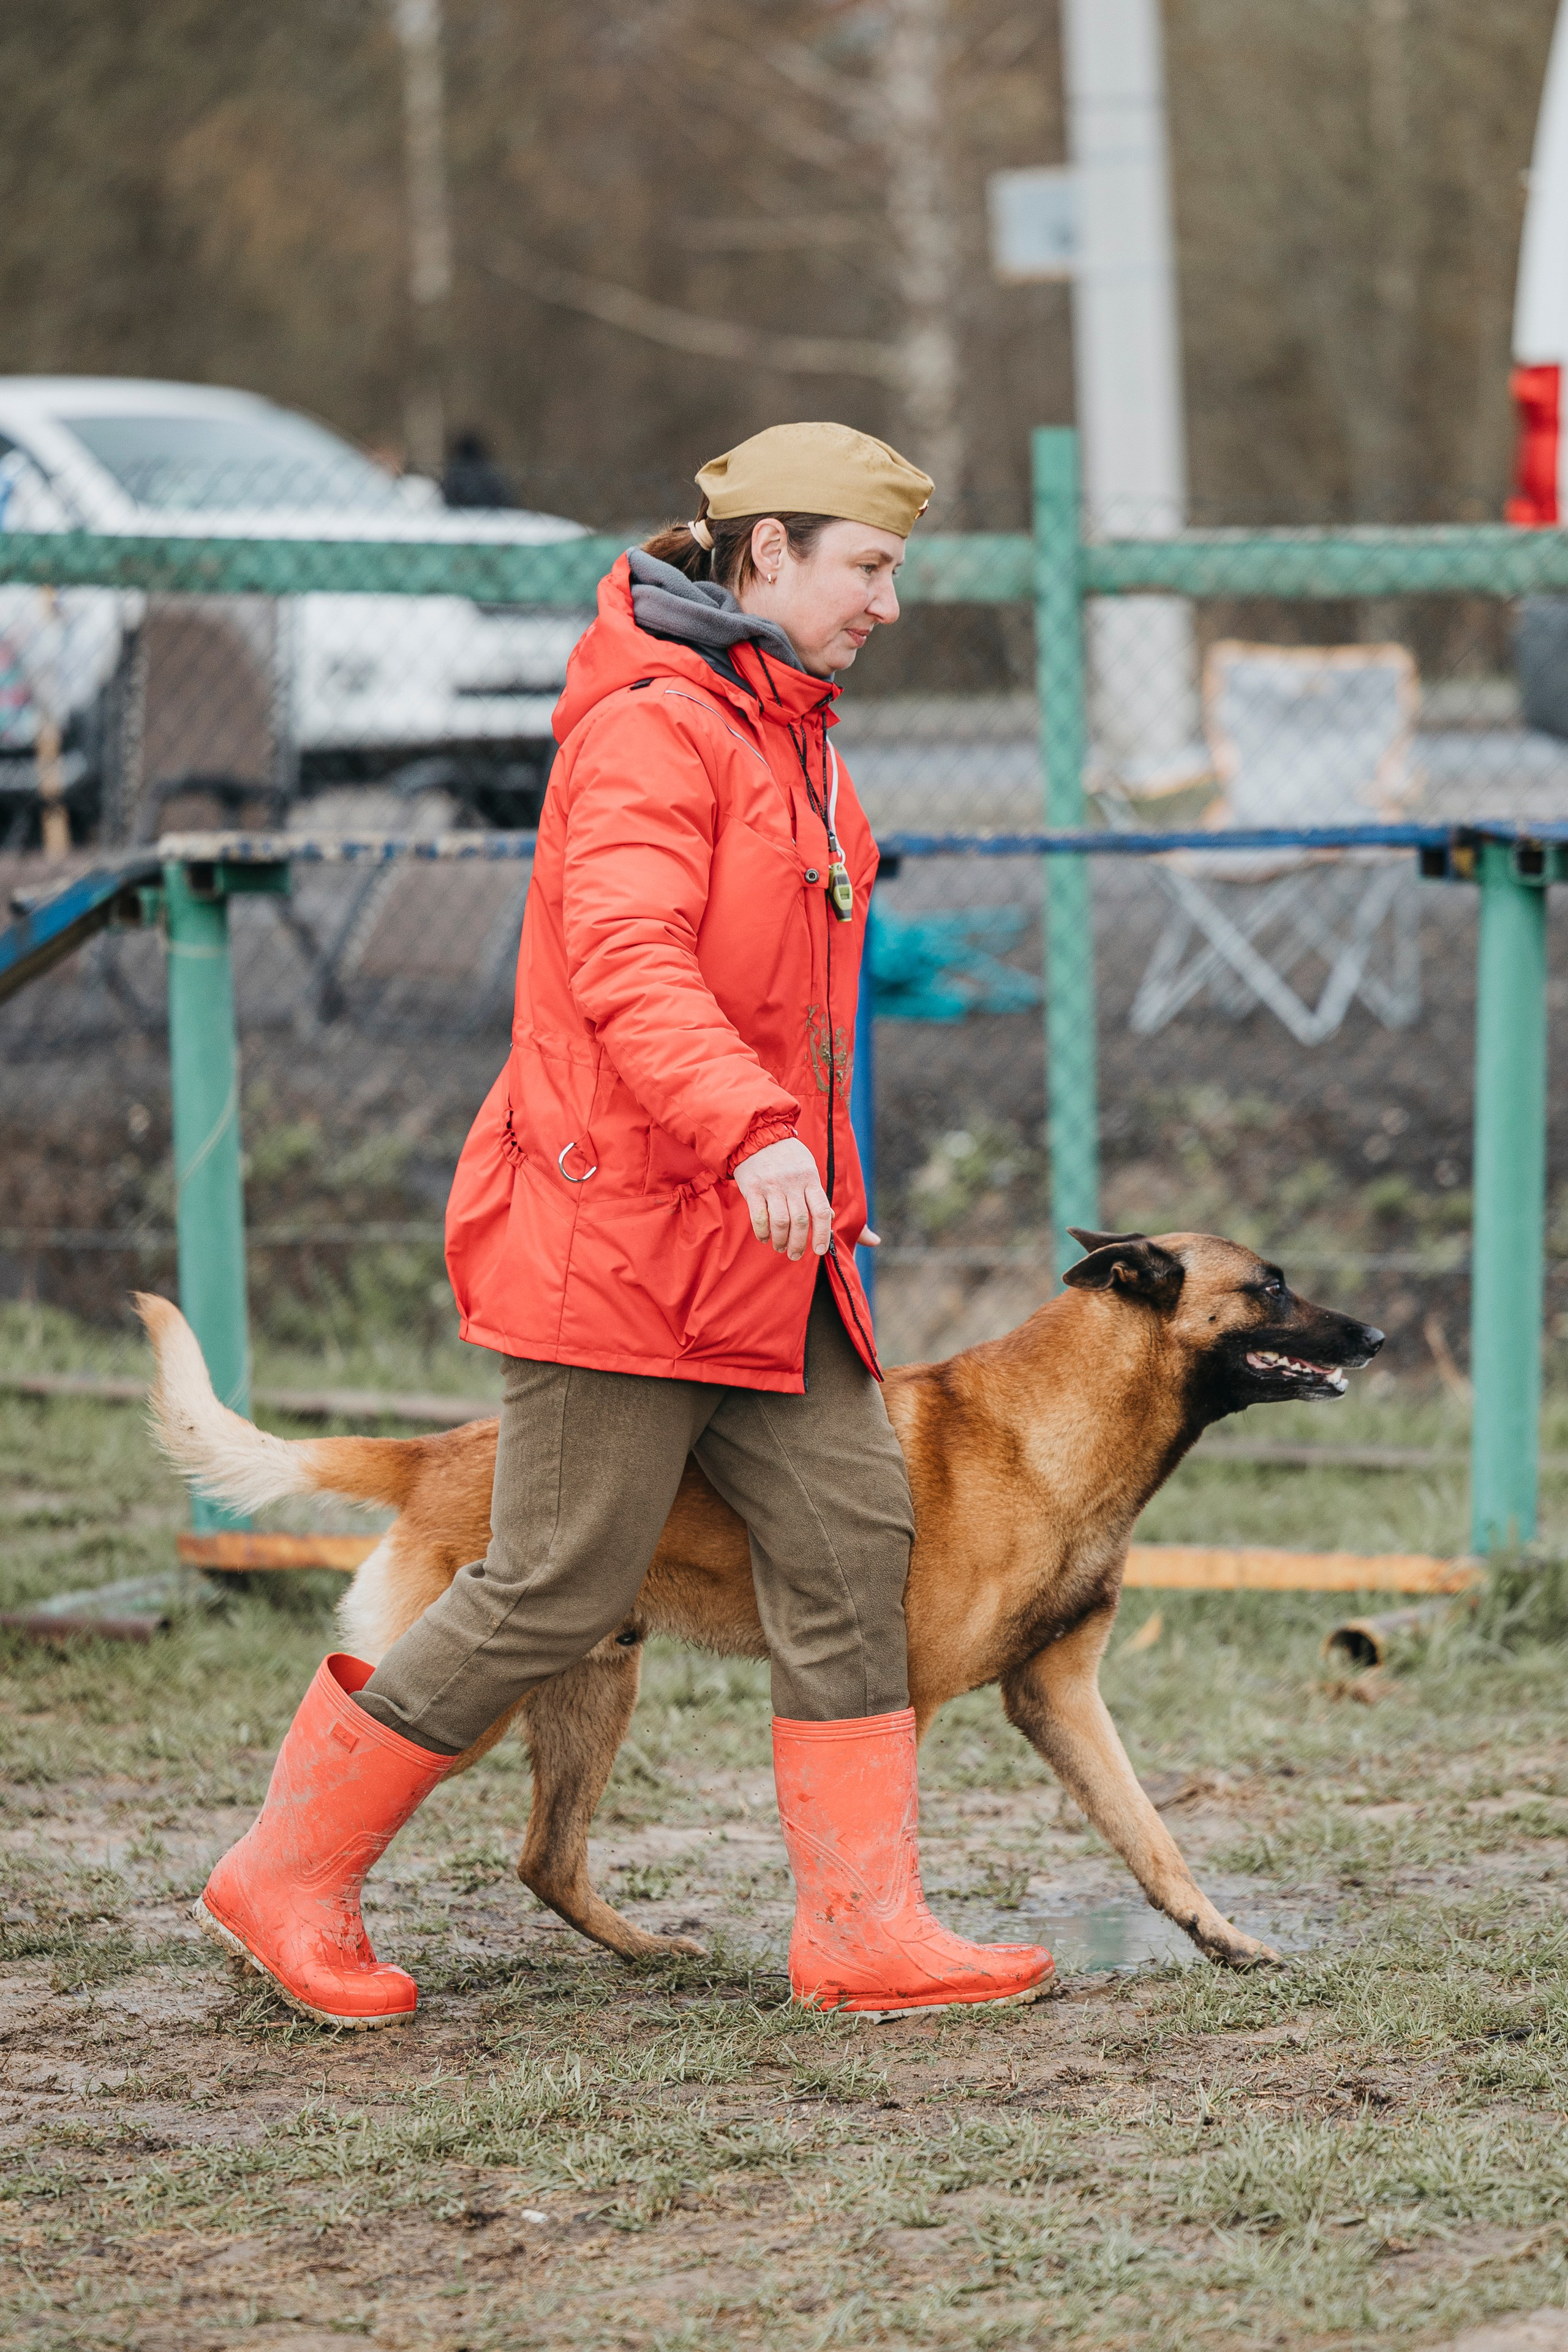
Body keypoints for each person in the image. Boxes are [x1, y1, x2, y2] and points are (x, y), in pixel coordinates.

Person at [197, 422, 1054, 2026]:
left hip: (769, 1254)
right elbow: (629, 966)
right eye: (866, 568)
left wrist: (805, 1176)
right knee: (557, 1583)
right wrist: (746, 1129)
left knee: (855, 1543)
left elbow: (792, 988)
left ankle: (864, 1932)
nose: (887, 602)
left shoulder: (795, 729)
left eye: (894, 572)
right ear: (769, 555)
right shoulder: (657, 728)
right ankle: (286, 1875)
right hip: (623, 1244)